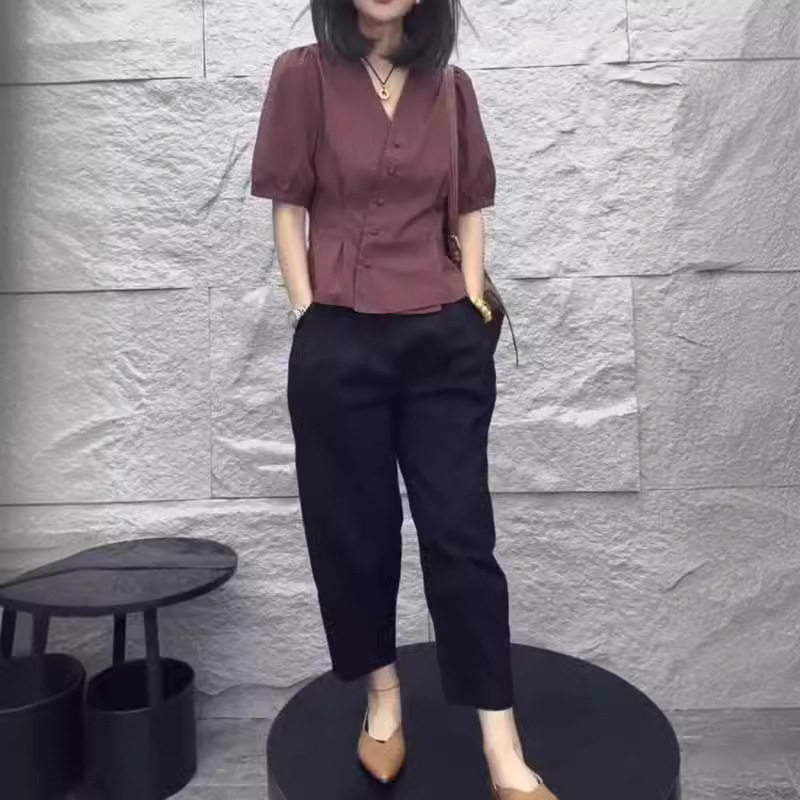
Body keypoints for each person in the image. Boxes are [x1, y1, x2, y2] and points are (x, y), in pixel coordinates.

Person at [250, 1, 557, 797]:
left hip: (441, 341)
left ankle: (501, 742)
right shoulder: (304, 76)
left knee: (462, 536)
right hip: (339, 339)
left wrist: (470, 299)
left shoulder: (451, 89)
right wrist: (307, 311)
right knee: (354, 531)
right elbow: (289, 207)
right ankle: (383, 698)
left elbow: (471, 205)